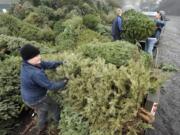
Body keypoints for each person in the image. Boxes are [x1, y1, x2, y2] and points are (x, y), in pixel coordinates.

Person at [20, 44, 68, 134]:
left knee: (42, 110)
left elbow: (47, 64)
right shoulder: (34, 73)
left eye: (38, 54)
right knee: (55, 108)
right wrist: (65, 82)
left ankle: (41, 125)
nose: (39, 57)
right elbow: (51, 86)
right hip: (37, 99)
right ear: (27, 59)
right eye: (35, 56)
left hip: (28, 97)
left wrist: (60, 63)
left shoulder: (28, 65)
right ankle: (59, 123)